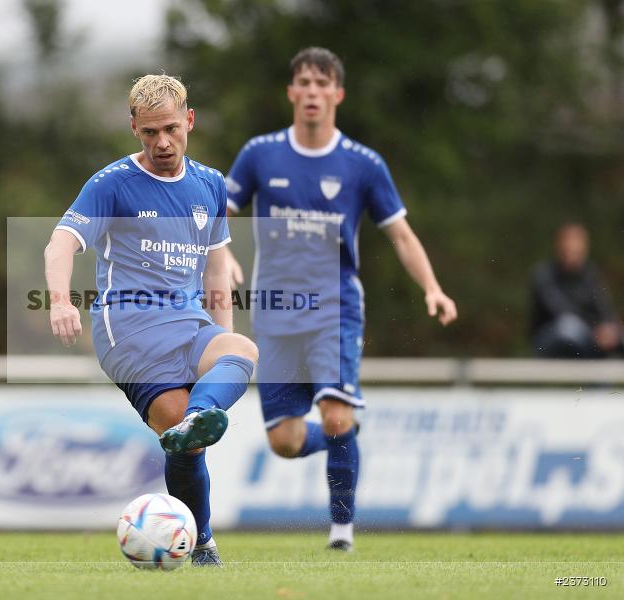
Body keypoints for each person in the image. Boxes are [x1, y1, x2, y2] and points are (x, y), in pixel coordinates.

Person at [223, 47, 457, 551]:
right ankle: (344, 436)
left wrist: (433, 288)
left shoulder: (363, 164)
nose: (312, 91)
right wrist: (221, 258)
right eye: (303, 82)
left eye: (321, 83)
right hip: (274, 314)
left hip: (335, 310)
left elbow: (401, 235)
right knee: (284, 443)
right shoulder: (260, 153)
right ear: (291, 92)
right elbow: (215, 213)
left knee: (333, 413)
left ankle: (342, 530)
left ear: (337, 94)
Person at [44, 74, 258, 566]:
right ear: (134, 129)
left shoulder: (209, 184)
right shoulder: (112, 184)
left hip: (189, 323)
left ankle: (200, 419)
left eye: (170, 130)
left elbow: (217, 271)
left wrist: (219, 336)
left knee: (242, 349)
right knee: (186, 446)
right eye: (149, 133)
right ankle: (203, 542)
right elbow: (61, 242)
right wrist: (59, 299)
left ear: (189, 120)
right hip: (130, 330)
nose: (162, 142)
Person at [531, 222, 623, 358]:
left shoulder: (591, 274)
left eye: (578, 249)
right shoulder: (544, 275)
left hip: (589, 338)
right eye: (569, 248)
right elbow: (560, 311)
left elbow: (604, 309)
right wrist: (595, 330)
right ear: (559, 246)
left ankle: (602, 376)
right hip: (551, 338)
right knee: (569, 327)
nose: (573, 253)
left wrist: (610, 328)